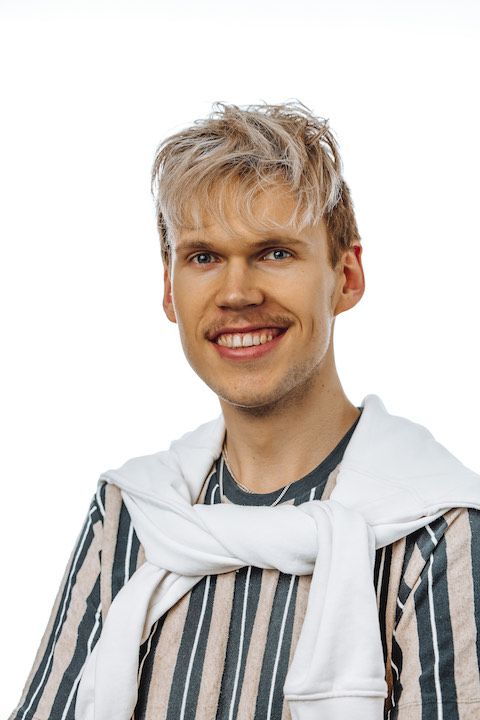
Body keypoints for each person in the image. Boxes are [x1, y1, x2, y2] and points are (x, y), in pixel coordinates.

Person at [10, 102, 480, 720]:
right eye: (203, 257)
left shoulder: (439, 530)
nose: (236, 293)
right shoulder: (130, 512)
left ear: (346, 276)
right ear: (169, 290)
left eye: (275, 252)